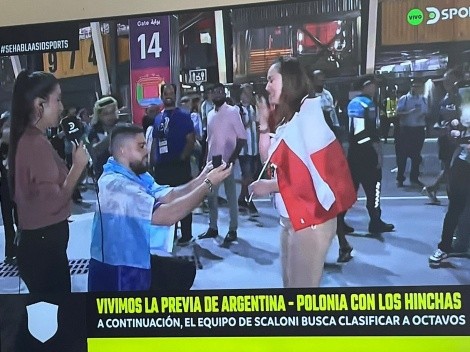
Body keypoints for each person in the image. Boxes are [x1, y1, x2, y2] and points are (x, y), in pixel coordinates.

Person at [249, 57, 356, 287]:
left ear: (289, 81)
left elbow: (317, 178)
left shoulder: (309, 120)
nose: (266, 87)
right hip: (291, 219)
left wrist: (269, 186)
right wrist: (264, 126)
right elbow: (268, 162)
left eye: (271, 80)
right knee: (291, 290)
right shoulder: (289, 121)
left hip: (311, 220)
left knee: (301, 299)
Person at [88, 124, 232, 291]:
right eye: (141, 146)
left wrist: (203, 177)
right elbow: (166, 216)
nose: (147, 151)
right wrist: (208, 185)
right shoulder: (115, 185)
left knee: (184, 272)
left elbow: (169, 196)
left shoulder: (136, 173)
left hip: (135, 257)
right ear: (122, 150)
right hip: (117, 270)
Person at [8, 71, 89, 293]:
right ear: (39, 105)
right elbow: (53, 202)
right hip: (43, 248)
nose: (62, 107)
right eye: (58, 99)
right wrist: (77, 167)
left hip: (41, 245)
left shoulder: (32, 139)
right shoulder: (34, 143)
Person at [198, 83, 247, 245]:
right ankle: (213, 227)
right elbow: (208, 140)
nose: (217, 95)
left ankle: (232, 229)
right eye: (214, 92)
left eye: (220, 92)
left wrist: (231, 160)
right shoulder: (210, 114)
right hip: (212, 163)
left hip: (228, 163)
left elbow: (242, 138)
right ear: (211, 95)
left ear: (224, 94)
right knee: (211, 198)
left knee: (231, 197)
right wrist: (205, 162)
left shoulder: (233, 112)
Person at [346, 77, 395, 234]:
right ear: (367, 86)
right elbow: (363, 132)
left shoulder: (355, 103)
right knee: (373, 188)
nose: (374, 88)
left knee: (351, 189)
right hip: (366, 153)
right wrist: (375, 149)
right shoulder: (366, 104)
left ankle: (340, 221)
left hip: (355, 153)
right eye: (372, 85)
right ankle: (375, 221)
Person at [151, 84, 196, 246]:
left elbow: (191, 139)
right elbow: (156, 141)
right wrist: (153, 162)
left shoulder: (184, 116)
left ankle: (186, 235)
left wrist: (182, 157)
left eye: (171, 92)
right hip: (162, 168)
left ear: (175, 95)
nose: (168, 95)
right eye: (166, 93)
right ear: (161, 95)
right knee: (164, 202)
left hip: (179, 166)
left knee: (183, 200)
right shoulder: (158, 118)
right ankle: (169, 235)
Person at [423, 69, 461, 204]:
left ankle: (433, 188)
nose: (448, 83)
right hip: (448, 139)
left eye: (451, 81)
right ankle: (451, 197)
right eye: (447, 80)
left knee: (451, 168)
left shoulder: (458, 96)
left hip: (458, 138)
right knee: (449, 168)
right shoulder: (446, 99)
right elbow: (439, 119)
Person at [395, 79, 428, 187]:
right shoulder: (404, 99)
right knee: (402, 155)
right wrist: (409, 113)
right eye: (414, 86)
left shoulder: (423, 99)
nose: (416, 88)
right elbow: (398, 113)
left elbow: (427, 112)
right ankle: (400, 177)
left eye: (419, 87)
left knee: (416, 155)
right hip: (406, 129)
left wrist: (424, 116)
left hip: (418, 129)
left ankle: (414, 177)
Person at [237, 83, 261, 216]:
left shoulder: (253, 108)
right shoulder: (238, 109)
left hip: (254, 147)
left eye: (249, 93)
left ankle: (242, 198)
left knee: (251, 173)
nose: (248, 96)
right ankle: (249, 200)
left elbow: (257, 126)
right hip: (243, 149)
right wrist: (248, 121)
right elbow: (238, 127)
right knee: (248, 175)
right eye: (245, 93)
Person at [0, 112, 18, 265]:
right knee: (7, 219)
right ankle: (11, 251)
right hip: (4, 186)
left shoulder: (17, 143)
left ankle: (22, 248)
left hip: (17, 184)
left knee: (20, 218)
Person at [88, 96, 119, 178]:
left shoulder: (122, 126)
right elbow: (95, 151)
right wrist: (112, 135)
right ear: (99, 116)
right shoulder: (95, 131)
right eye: (106, 114)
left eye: (112, 112)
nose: (110, 116)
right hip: (104, 175)